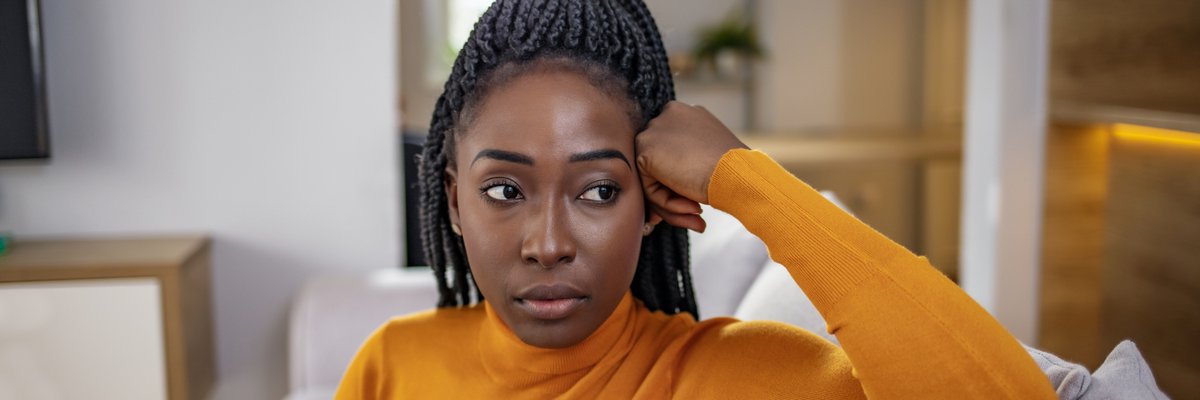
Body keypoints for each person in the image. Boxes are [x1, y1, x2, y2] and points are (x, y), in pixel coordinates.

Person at [336, 0, 1057, 398]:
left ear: (653, 202)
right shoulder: (392, 366)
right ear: (453, 202)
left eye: (598, 190)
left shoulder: (736, 378)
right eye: (504, 190)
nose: (547, 243)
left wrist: (745, 179)